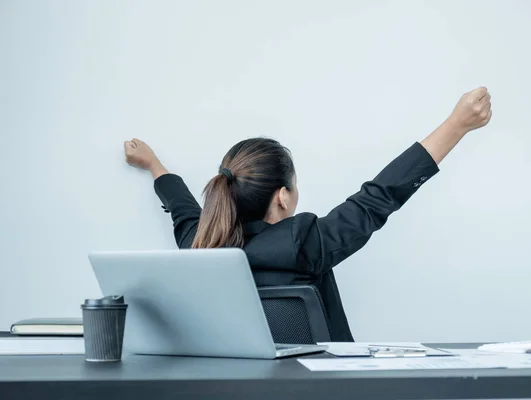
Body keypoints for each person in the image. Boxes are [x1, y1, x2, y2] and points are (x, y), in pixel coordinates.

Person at [124, 87, 492, 342]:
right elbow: (380, 196)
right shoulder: (307, 245)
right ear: (283, 197)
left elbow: (183, 210)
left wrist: (154, 164)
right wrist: (457, 125)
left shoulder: (201, 246)